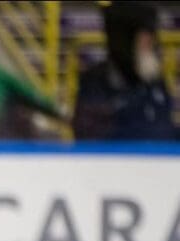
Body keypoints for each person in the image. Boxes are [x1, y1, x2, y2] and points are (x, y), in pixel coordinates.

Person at [73, 1, 177, 141]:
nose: (150, 46)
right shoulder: (94, 82)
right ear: (125, 39)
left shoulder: (156, 82)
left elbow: (165, 131)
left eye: (151, 39)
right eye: (144, 39)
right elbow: (90, 134)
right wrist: (141, 94)